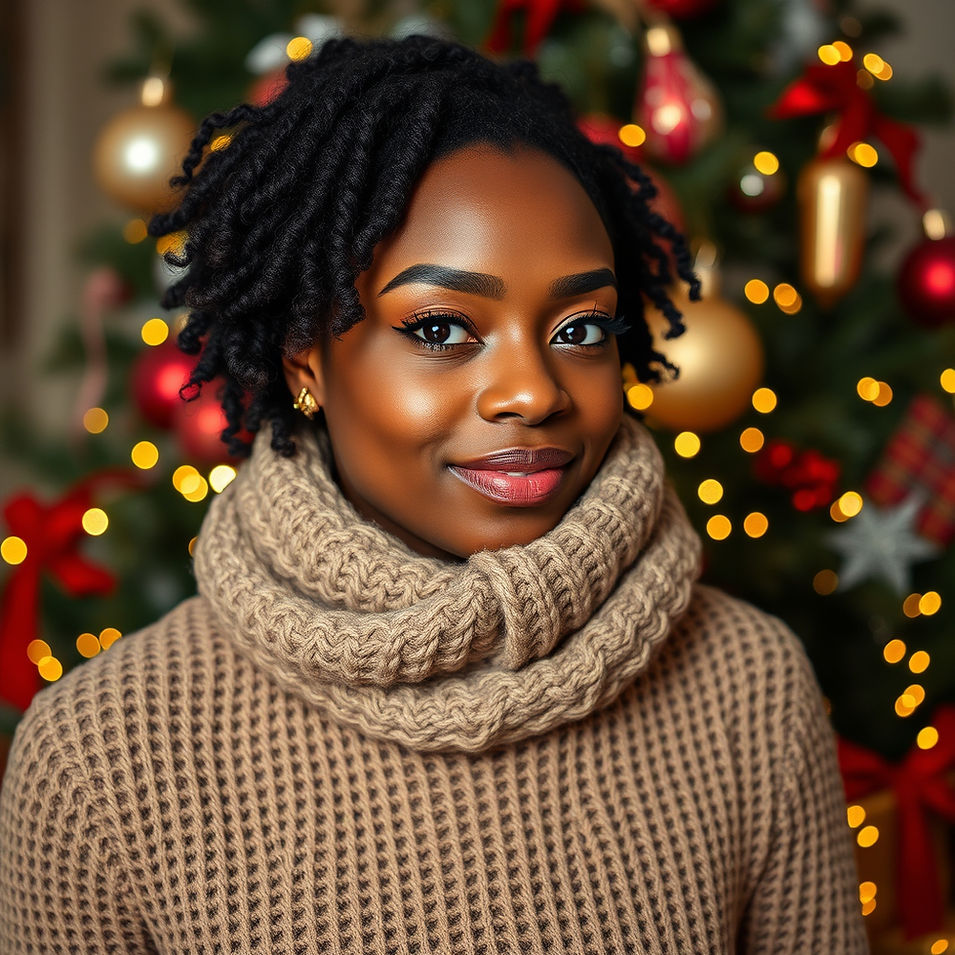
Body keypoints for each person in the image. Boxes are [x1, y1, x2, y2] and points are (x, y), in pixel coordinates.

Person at [0, 35, 868, 954]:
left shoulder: (749, 688)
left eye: (580, 328)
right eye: (443, 328)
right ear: (305, 357)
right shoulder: (101, 758)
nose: (532, 391)